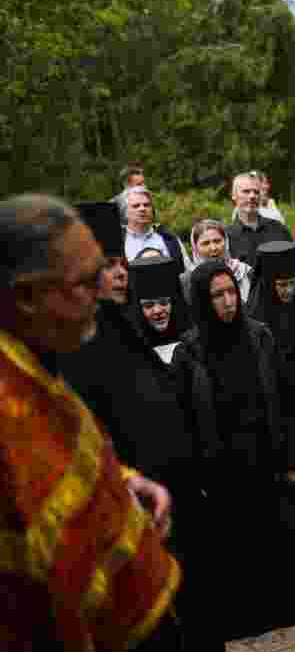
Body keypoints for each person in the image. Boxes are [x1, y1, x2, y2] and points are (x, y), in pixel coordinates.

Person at [0, 194, 181, 650]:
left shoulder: (36, 353)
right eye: (85, 280)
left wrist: (121, 482)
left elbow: (70, 444)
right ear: (26, 296)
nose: (105, 289)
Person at [62, 205, 223, 652]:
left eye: (120, 264)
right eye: (106, 266)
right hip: (133, 518)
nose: (119, 275)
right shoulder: (78, 345)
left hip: (175, 504)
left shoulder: (121, 325)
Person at [173, 260, 295, 640]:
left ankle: (286, 621)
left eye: (231, 291)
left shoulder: (259, 335)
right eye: (217, 295)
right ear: (203, 299)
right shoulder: (189, 352)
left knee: (276, 548)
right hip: (222, 472)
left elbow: (286, 397)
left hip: (266, 461)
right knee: (235, 555)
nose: (228, 301)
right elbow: (183, 419)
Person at [247, 241, 295, 543]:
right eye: (280, 285)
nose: (287, 291)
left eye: (291, 284)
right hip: (277, 409)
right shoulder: (255, 319)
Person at [130, 256, 193, 364]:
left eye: (164, 303)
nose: (158, 311)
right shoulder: (132, 351)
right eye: (148, 306)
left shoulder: (193, 345)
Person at [225, 171, 293, 266]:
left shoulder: (279, 230)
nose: (252, 196)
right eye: (246, 191)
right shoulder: (226, 237)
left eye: (256, 192)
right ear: (234, 195)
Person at [183, 219, 253, 306]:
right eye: (206, 243)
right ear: (195, 248)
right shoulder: (188, 280)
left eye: (217, 241)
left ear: (226, 242)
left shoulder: (245, 272)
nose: (213, 248)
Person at [122, 186, 192, 274]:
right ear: (125, 212)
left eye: (146, 205)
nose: (142, 209)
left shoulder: (169, 238)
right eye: (136, 206)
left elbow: (188, 273)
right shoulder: (118, 241)